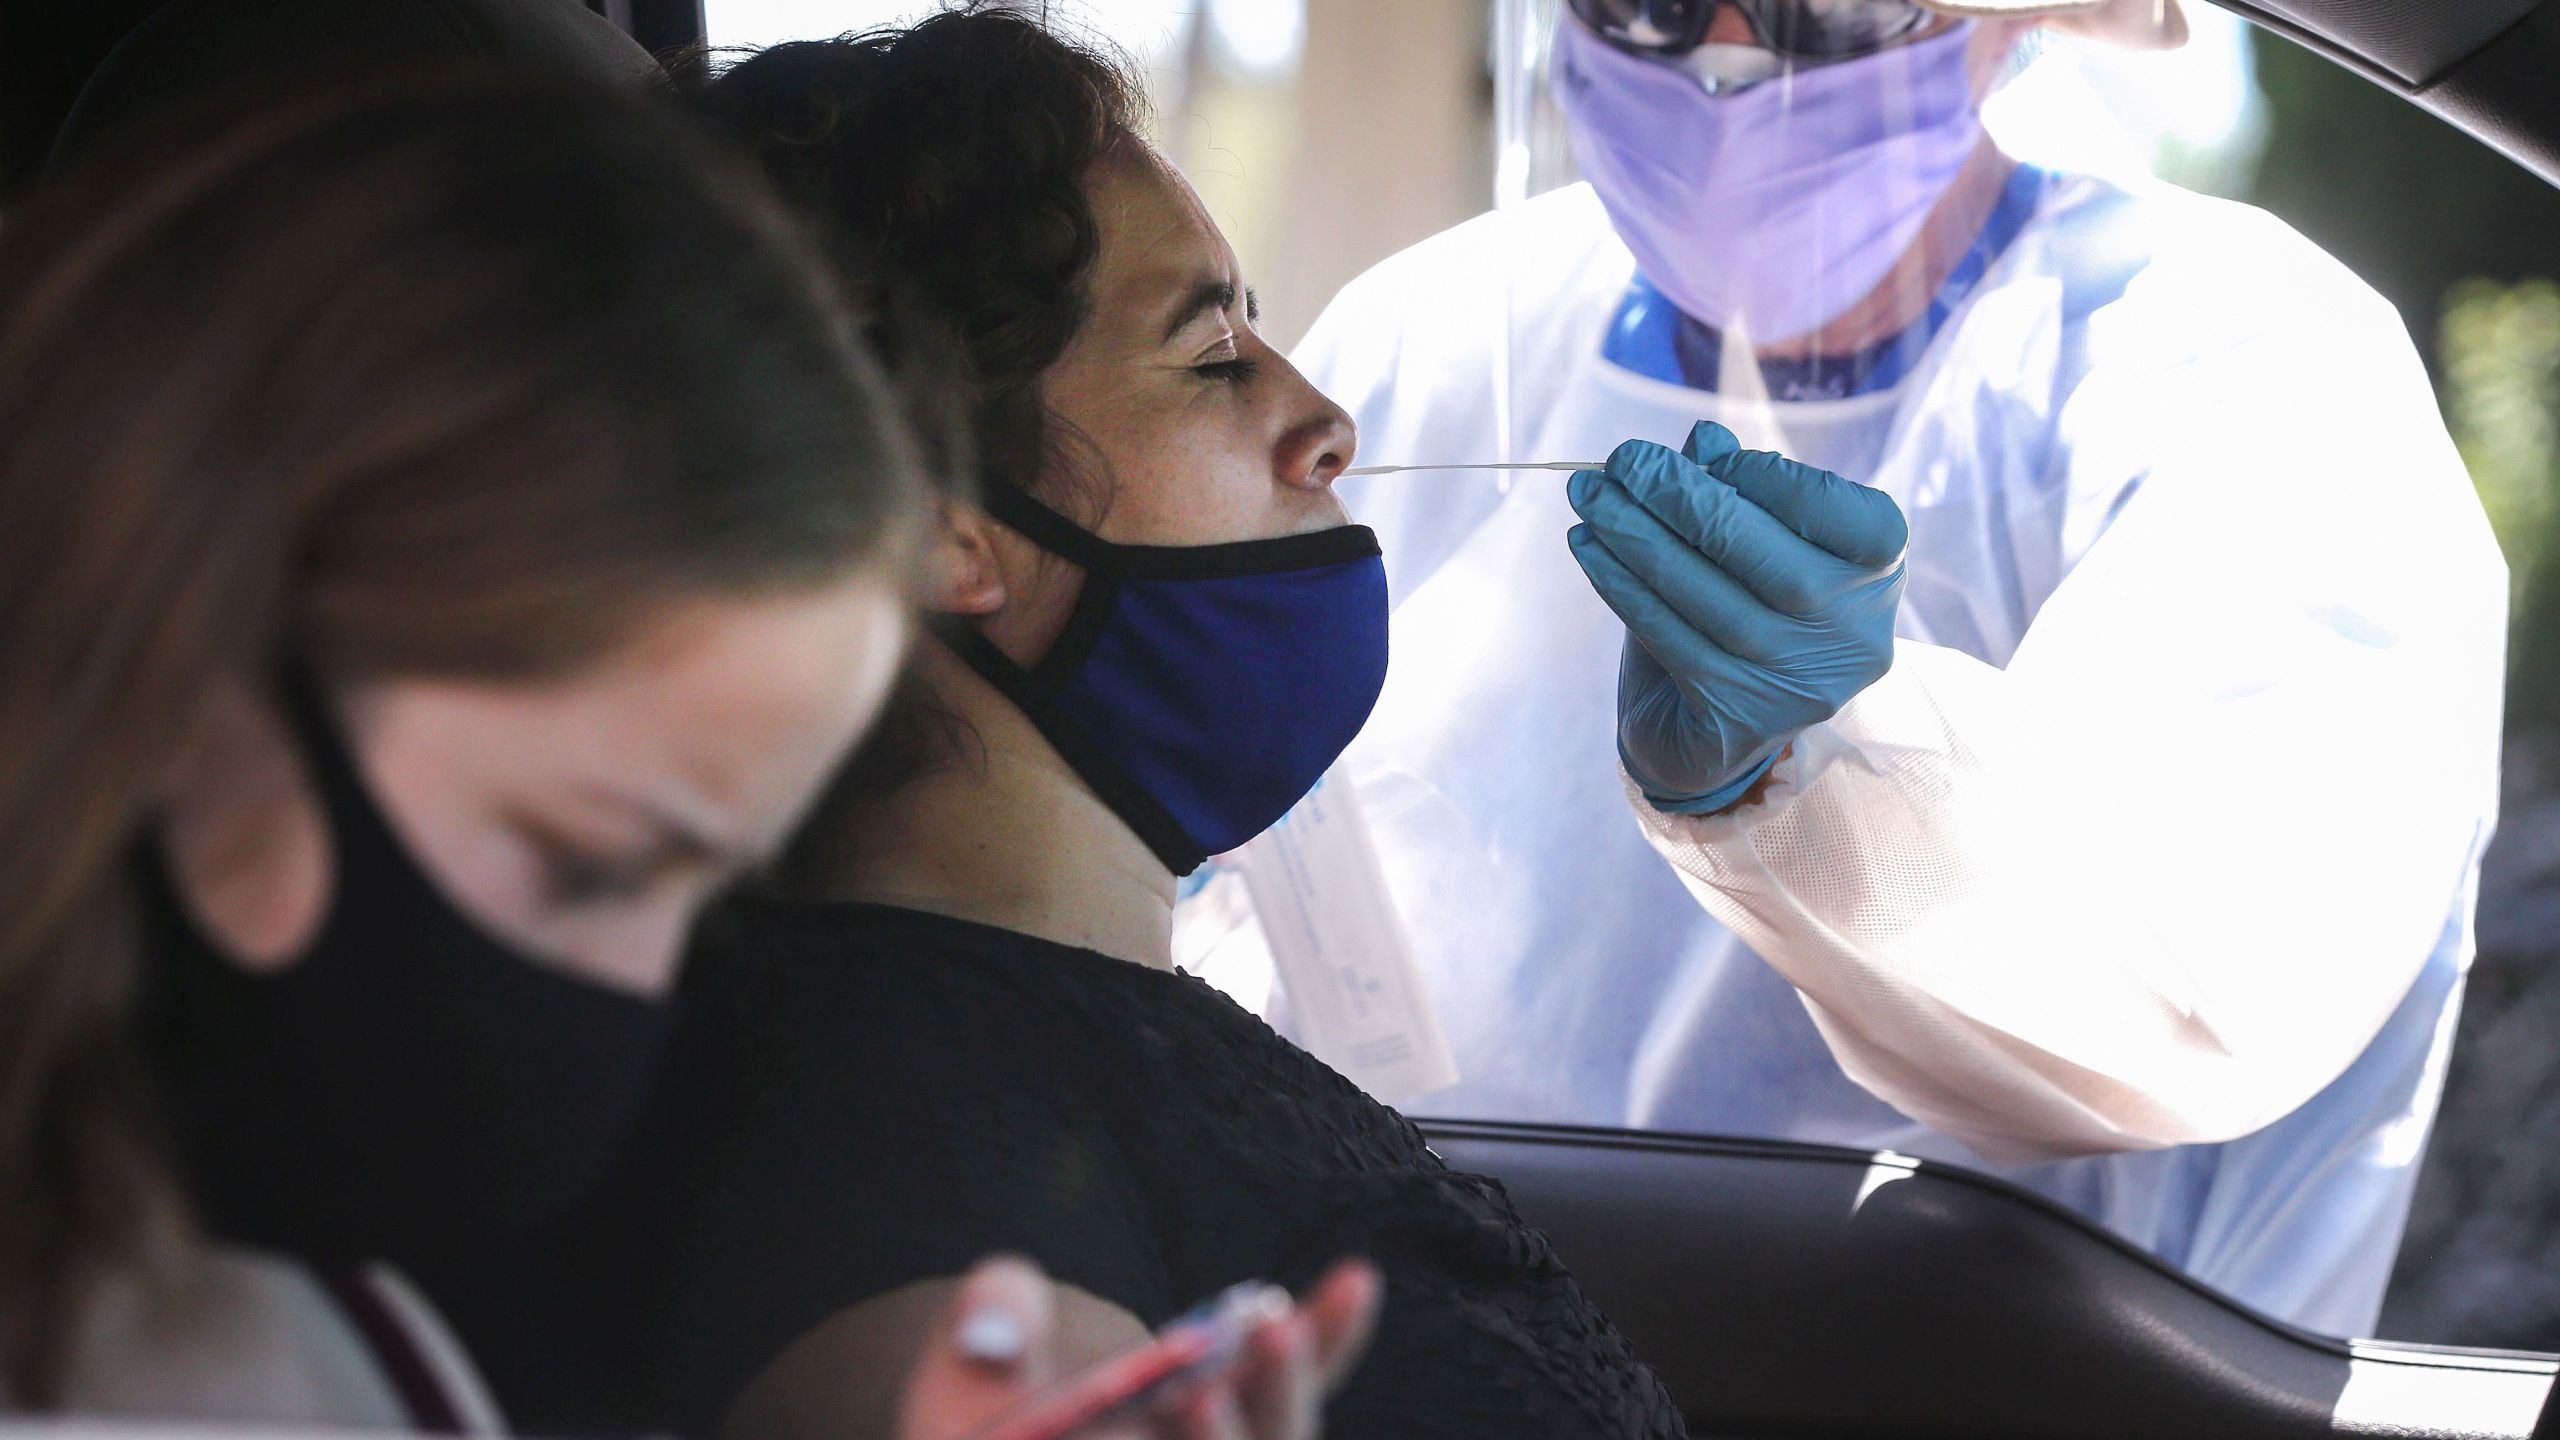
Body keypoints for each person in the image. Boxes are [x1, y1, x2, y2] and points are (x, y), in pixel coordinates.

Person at [0, 74, 1362, 1439]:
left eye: (701, 888)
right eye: (580, 860)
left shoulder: (323, 1343)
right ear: (206, 720)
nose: (637, 1001)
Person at [436, 13, 1686, 1440]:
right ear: (936, 536)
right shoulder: (898, 1127)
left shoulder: (1049, 1025)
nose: (1326, 421)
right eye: (1215, 359)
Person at [1282, 0, 2507, 1336]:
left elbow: (2208, 990)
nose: (1729, 51)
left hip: (2014, 1390)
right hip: (1436, 1365)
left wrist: (1832, 775)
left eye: (1831, 0)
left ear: (2015, 18)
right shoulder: (1425, 343)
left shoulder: (2239, 363)